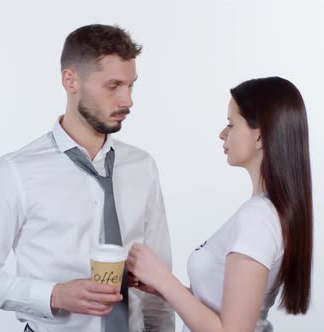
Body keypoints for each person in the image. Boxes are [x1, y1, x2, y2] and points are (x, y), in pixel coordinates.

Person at [0, 24, 175, 332]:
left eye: (131, 86)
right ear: (70, 80)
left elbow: (158, 279)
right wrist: (54, 295)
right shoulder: (14, 172)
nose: (127, 101)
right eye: (113, 86)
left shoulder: (142, 166)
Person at [127, 77, 313, 332]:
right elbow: (225, 308)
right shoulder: (267, 211)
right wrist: (164, 289)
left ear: (260, 136)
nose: (222, 134)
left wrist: (162, 277)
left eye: (231, 124)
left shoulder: (258, 218)